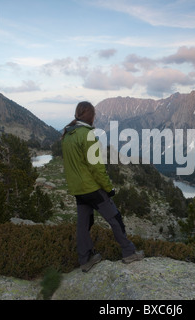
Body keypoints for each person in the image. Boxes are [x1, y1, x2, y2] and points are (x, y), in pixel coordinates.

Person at [61, 101, 144, 272]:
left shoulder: (67, 135)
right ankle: (128, 252)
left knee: (84, 225)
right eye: (95, 115)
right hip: (92, 189)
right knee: (115, 218)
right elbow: (97, 168)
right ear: (90, 116)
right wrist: (108, 188)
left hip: (78, 190)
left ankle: (85, 259)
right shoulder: (88, 135)